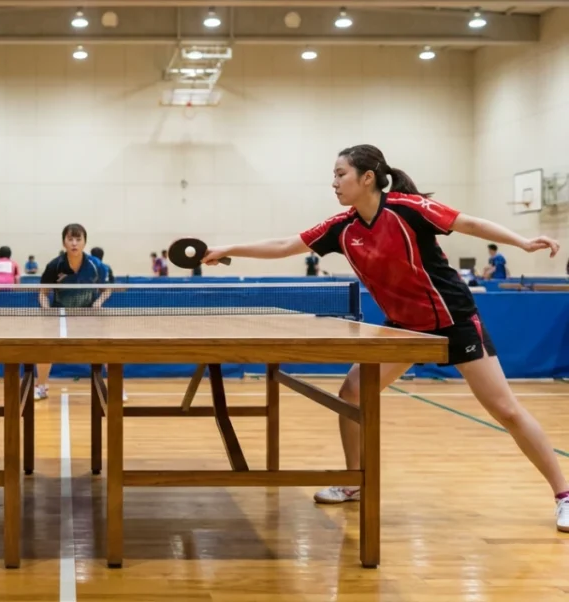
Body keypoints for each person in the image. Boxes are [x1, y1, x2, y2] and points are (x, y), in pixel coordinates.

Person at [200, 143, 569, 532]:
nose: (335, 183)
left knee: (506, 410)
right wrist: (230, 249)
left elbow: (469, 223)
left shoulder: (408, 209)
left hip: (453, 319)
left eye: (341, 174)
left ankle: (564, 494)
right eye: (334, 176)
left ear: (368, 178)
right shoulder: (342, 228)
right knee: (353, 392)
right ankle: (352, 481)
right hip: (403, 327)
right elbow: (285, 245)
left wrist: (523, 242)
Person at [35, 224, 110, 401]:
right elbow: (43, 293)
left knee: (106, 349)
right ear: (64, 242)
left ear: (85, 242)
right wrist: (46, 309)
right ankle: (41, 386)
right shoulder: (55, 265)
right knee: (46, 350)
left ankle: (115, 387)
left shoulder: (96, 265)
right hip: (60, 314)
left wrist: (98, 302)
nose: (74, 243)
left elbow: (107, 290)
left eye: (78, 239)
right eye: (70, 239)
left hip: (88, 314)